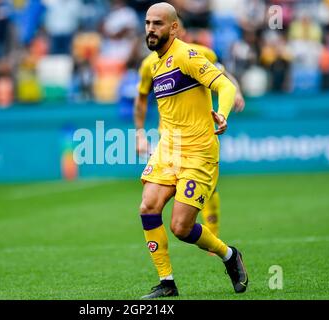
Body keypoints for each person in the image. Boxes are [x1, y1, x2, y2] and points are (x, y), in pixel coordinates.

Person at [134, 2, 248, 299]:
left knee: (181, 228)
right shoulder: (155, 63)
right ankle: (167, 282)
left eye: (157, 24)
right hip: (168, 150)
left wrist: (221, 113)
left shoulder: (187, 55)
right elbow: (142, 101)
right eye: (147, 23)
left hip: (199, 152)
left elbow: (225, 86)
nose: (150, 29)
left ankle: (229, 254)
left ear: (174, 27)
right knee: (148, 206)